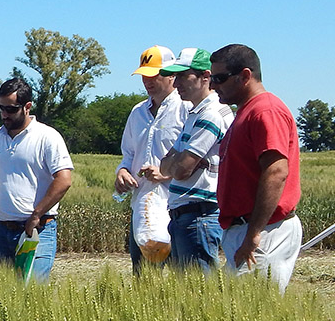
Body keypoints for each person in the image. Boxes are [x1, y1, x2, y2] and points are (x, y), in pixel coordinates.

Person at [210, 44, 302, 291]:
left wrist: (253, 234)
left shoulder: (265, 110)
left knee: (252, 306)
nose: (213, 86)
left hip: (264, 230)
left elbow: (276, 172)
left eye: (219, 78)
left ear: (245, 76)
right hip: (248, 228)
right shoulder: (246, 111)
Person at [0, 77, 73, 281]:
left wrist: (36, 214)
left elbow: (64, 179)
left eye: (11, 109)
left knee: (33, 291)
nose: (4, 114)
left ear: (27, 107)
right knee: (9, 293)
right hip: (3, 230)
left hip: (38, 230)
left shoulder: (47, 137)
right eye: (1, 108)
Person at [156, 49, 234, 273]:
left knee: (197, 288)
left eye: (183, 76)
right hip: (186, 215)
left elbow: (180, 170)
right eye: (175, 76)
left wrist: (178, 162)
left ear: (205, 76)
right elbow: (164, 165)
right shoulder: (195, 114)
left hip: (199, 216)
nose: (176, 83)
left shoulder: (211, 114)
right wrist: (177, 162)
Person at [115, 45, 188, 272]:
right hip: (143, 209)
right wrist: (122, 172)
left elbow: (198, 157)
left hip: (176, 207)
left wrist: (165, 173)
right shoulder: (137, 112)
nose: (147, 81)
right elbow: (128, 154)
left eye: (154, 75)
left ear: (171, 75)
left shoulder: (186, 109)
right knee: (143, 280)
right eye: (144, 75)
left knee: (183, 279)